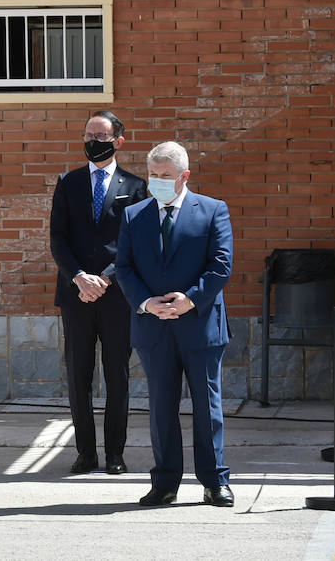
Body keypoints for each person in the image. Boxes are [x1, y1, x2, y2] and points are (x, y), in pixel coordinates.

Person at [115, 141, 234, 508]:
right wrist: (148, 303)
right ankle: (164, 483)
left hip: (199, 325)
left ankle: (215, 482)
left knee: (207, 406)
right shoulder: (135, 215)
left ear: (184, 176)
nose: (157, 182)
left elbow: (221, 265)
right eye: (153, 175)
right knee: (161, 406)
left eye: (165, 176)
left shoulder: (213, 210)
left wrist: (189, 301)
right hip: (155, 327)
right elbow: (124, 267)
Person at [48, 110, 147, 476]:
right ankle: (85, 453)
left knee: (117, 374)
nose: (93, 141)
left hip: (116, 295)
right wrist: (78, 277)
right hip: (76, 293)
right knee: (78, 375)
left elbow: (135, 241)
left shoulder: (135, 187)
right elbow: (58, 237)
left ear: (118, 141)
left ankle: (115, 454)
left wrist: (103, 278)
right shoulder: (68, 182)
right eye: (89, 135)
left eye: (101, 136)